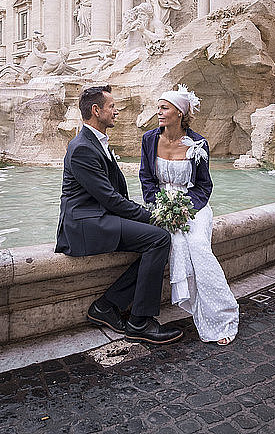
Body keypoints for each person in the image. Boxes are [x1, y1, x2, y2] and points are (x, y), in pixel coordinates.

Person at [55, 85, 183, 345]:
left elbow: (114, 197)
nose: (116, 111)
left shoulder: (95, 142)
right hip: (85, 223)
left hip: (99, 216)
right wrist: (152, 216)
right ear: (96, 110)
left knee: (157, 238)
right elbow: (110, 199)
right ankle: (139, 322)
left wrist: (145, 214)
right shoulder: (81, 148)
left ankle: (107, 305)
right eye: (111, 107)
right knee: (158, 238)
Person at [139, 85, 240, 345]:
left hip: (193, 206)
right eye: (159, 107)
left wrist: (186, 209)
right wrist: (159, 207)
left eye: (164, 108)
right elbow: (147, 179)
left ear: (180, 113)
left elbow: (205, 185)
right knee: (176, 243)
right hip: (162, 207)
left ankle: (222, 316)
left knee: (196, 245)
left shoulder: (199, 144)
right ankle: (194, 308)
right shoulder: (149, 139)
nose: (159, 112)